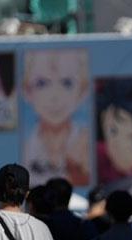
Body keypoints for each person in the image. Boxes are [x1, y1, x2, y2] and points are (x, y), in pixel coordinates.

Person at [22, 49, 90, 186]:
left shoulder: (87, 144)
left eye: (67, 83)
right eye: (42, 83)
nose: (54, 96)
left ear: (82, 91)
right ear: (27, 91)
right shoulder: (25, 147)